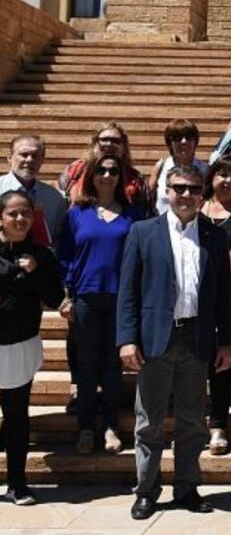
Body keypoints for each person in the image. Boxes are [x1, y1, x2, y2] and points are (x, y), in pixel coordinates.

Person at [116, 165, 231, 520]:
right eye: (179, 188)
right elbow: (128, 292)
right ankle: (146, 490)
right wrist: (126, 339)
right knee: (149, 420)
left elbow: (223, 297)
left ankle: (186, 486)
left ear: (203, 194)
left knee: (192, 421)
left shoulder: (215, 236)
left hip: (196, 338)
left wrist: (227, 342)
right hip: (156, 338)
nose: (186, 195)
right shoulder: (143, 232)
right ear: (167, 191)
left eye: (194, 189)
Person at [57, 153, 142, 456]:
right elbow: (65, 255)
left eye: (113, 171)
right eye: (101, 170)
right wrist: (66, 295)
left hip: (120, 297)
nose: (107, 176)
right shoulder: (77, 212)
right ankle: (85, 428)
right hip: (86, 297)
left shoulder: (133, 214)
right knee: (87, 364)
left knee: (111, 364)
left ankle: (109, 426)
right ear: (91, 175)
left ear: (121, 177)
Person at [0, 190, 63, 506]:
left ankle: (17, 483)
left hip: (20, 345)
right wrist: (12, 270)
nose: (20, 219)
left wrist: (36, 270)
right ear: (1, 218)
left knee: (16, 417)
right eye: (12, 213)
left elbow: (55, 297)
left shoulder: (42, 255)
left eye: (25, 213)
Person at [199, 155, 231, 455]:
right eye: (222, 174)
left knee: (225, 366)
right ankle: (197, 425)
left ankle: (219, 426)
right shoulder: (196, 210)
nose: (228, 180)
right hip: (198, 301)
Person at [60, 122, 147, 215]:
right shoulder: (75, 170)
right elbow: (58, 204)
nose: (109, 144)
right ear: (94, 145)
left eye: (115, 141)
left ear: (124, 147)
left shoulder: (136, 179)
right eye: (104, 139)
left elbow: (145, 213)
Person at [1, 135, 68, 247]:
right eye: (24, 154)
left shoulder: (55, 198)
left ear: (42, 160)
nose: (29, 160)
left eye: (35, 156)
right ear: (9, 157)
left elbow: (58, 239)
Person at [146, 119, 208, 216]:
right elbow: (150, 197)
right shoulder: (160, 167)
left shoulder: (206, 170)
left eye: (189, 137)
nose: (184, 141)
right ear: (169, 143)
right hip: (162, 226)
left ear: (195, 142)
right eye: (177, 138)